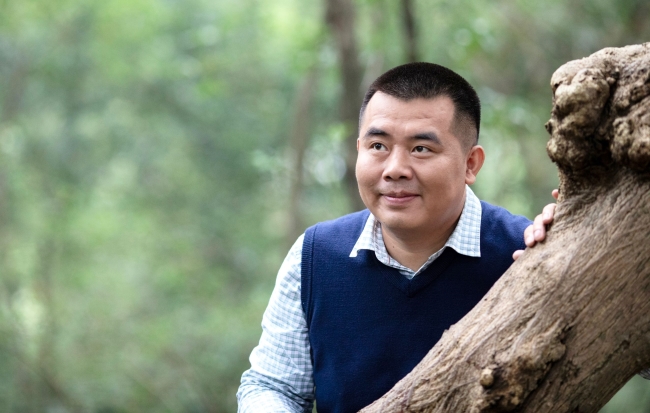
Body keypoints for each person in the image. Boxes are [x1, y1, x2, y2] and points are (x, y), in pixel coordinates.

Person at [237, 62, 556, 413]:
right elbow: (272, 385)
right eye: (378, 146)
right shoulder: (316, 256)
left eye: (421, 149)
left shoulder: (524, 253)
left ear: (470, 164)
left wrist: (564, 245)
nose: (394, 170)